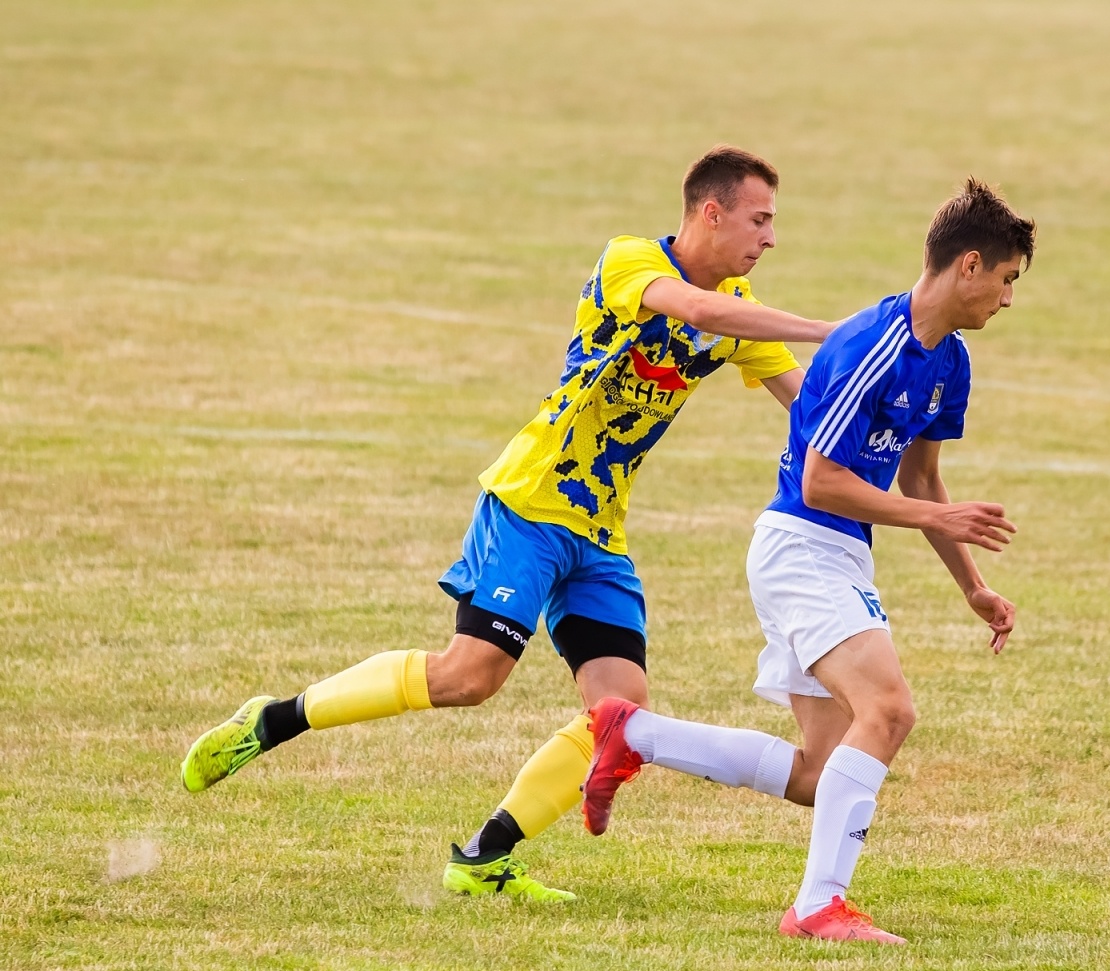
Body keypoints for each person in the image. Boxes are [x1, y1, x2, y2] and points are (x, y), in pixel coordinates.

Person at [179, 145, 833, 902]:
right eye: (760, 219)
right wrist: (830, 324)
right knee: (468, 677)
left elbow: (810, 406)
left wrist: (885, 414)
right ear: (709, 213)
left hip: (599, 534)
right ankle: (274, 720)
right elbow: (697, 310)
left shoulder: (743, 308)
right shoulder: (631, 262)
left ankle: (483, 857)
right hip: (528, 504)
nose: (770, 238)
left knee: (622, 718)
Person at [580, 178, 1034, 943]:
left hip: (840, 553)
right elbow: (823, 481)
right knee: (888, 712)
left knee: (822, 775)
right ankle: (819, 905)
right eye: (1008, 279)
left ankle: (636, 735)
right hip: (800, 545)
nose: (1009, 299)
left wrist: (973, 587)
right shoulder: (873, 342)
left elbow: (921, 479)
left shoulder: (949, 361)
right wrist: (935, 515)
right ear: (969, 265)